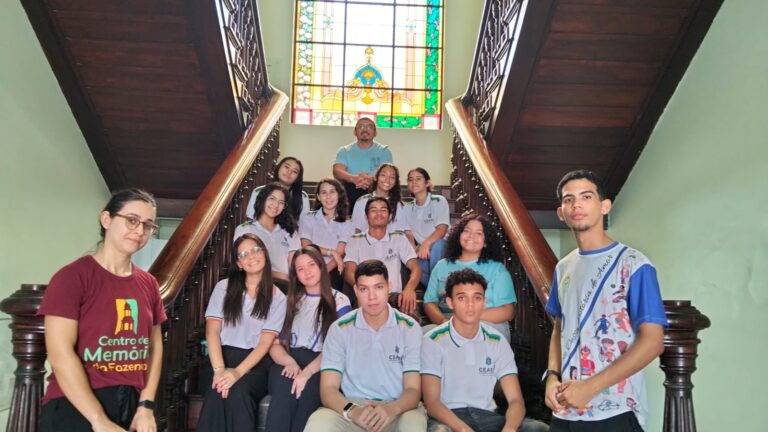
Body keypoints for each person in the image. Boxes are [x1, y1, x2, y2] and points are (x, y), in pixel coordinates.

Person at [544, 170, 667, 431]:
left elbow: (653, 342)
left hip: (616, 408)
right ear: (561, 212)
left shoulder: (633, 264)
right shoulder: (563, 267)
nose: (576, 205)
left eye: (586, 196)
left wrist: (591, 387)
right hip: (566, 409)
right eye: (568, 200)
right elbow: (559, 327)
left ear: (604, 206)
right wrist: (552, 377)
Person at [37, 188, 166, 432]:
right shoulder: (72, 277)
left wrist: (146, 405)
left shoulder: (148, 283)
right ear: (106, 219)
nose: (139, 231)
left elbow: (154, 347)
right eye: (131, 220)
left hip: (131, 403)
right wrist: (98, 419)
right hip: (75, 404)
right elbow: (60, 354)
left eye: (148, 225)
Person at [304, 259, 427, 431]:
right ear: (355, 290)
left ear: (389, 287)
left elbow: (413, 390)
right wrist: (352, 411)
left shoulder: (409, 328)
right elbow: (328, 389)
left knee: (413, 425)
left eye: (378, 287)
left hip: (398, 408)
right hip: (353, 408)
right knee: (319, 422)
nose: (372, 296)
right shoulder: (340, 329)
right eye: (364, 289)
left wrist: (392, 409)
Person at [422, 268, 549, 432]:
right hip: (448, 419)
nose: (470, 304)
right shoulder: (433, 340)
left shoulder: (497, 341)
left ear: (484, 302)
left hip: (488, 416)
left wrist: (509, 428)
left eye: (477, 298)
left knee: (538, 428)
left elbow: (516, 400)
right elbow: (432, 404)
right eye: (462, 298)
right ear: (450, 302)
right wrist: (463, 429)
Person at [197, 234, 287, 432]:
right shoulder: (224, 288)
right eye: (244, 254)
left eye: (255, 250)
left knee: (239, 390)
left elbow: (265, 344)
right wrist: (220, 370)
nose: (251, 257)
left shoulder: (278, 297)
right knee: (217, 389)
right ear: (239, 263)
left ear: (264, 252)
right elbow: (212, 331)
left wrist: (237, 372)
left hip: (255, 364)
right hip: (220, 357)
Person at [265, 247, 352, 432]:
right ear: (295, 275)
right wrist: (289, 362)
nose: (307, 272)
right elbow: (274, 344)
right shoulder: (290, 300)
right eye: (300, 269)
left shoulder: (341, 301)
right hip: (287, 361)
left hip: (322, 363)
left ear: (321, 266)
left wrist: (307, 372)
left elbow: (338, 349)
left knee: (306, 394)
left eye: (311, 265)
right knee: (283, 392)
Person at [423, 214, 517, 341]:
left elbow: (508, 311)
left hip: (486, 324)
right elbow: (429, 302)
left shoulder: (497, 269)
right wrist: (443, 321)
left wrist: (466, 318)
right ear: (458, 236)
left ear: (485, 242)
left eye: (478, 233)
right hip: (447, 325)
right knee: (421, 335)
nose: (471, 236)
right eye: (466, 231)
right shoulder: (441, 266)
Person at [344, 197, 421, 315]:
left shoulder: (398, 238)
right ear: (366, 216)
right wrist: (362, 289)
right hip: (367, 295)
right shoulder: (355, 240)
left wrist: (409, 289)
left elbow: (416, 268)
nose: (379, 213)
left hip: (393, 296)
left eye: (383, 210)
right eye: (374, 210)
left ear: (390, 216)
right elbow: (349, 271)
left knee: (411, 306)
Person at [234, 182, 300, 290]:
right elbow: (243, 262)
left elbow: (294, 265)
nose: (276, 205)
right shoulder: (245, 229)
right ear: (263, 199)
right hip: (255, 284)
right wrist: (279, 275)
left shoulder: (290, 231)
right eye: (272, 199)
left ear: (284, 207)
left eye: (281, 202)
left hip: (286, 286)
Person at [299, 177, 354, 291]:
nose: (328, 196)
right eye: (324, 193)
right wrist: (331, 251)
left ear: (339, 195)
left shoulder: (347, 223)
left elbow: (339, 253)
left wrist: (322, 272)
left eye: (332, 192)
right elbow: (307, 246)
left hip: (332, 270)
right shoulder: (308, 218)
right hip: (309, 267)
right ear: (318, 197)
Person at [333, 117, 394, 212]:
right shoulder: (344, 150)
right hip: (350, 190)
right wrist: (354, 178)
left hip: (376, 191)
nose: (365, 129)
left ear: (375, 133)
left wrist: (371, 179)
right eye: (361, 126)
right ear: (355, 132)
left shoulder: (384, 151)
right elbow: (337, 171)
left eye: (369, 127)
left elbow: (388, 173)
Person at [403, 167, 450, 287]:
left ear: (427, 183)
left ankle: (436, 290)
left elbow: (442, 230)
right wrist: (412, 253)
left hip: (443, 248)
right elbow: (409, 235)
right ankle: (437, 290)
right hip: (423, 252)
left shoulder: (439, 200)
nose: (414, 182)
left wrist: (426, 244)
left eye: (418, 179)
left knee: (438, 246)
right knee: (413, 264)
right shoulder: (407, 208)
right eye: (410, 179)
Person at [351, 163, 409, 235]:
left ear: (395, 182)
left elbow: (403, 233)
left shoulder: (399, 205)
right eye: (383, 175)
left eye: (392, 177)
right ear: (376, 177)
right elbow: (356, 230)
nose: (387, 180)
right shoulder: (361, 201)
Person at [246, 156, 310, 221]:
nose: (289, 172)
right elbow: (250, 220)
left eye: (294, 171)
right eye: (286, 167)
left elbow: (304, 226)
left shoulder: (303, 197)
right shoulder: (259, 191)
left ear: (297, 178)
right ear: (279, 168)